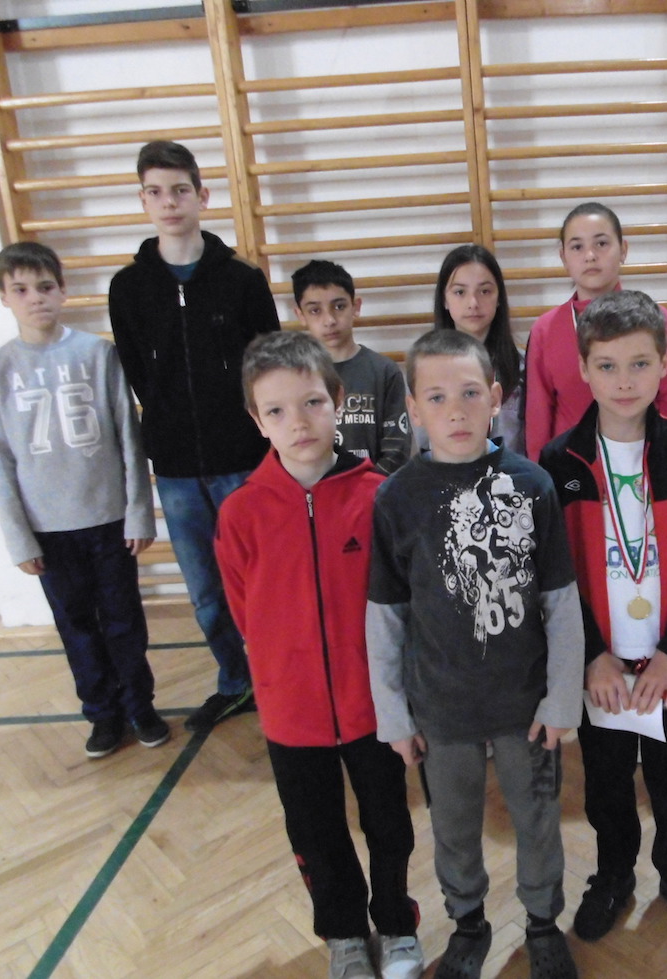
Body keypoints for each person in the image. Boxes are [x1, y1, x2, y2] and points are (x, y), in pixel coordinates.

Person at [366, 330, 583, 979]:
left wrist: (561, 698)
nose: (455, 410)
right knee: (454, 826)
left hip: (526, 705)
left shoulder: (533, 484)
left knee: (537, 819)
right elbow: (385, 617)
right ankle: (467, 922)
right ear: (413, 408)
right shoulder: (396, 497)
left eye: (468, 394)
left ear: (494, 397)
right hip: (442, 709)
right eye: (436, 397)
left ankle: (542, 921)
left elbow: (561, 602)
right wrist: (394, 715)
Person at [215, 332, 422, 979]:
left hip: (373, 706)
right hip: (292, 713)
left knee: (389, 824)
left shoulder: (379, 494)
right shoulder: (241, 512)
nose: (298, 423)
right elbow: (245, 611)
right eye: (276, 411)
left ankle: (397, 924)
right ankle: (345, 934)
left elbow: (402, 602)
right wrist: (284, 670)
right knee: (315, 833)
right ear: (257, 420)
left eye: (311, 403)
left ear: (337, 399)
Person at [540, 290, 667, 948]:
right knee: (606, 784)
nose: (624, 381)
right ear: (583, 369)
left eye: (640, 364)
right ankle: (613, 875)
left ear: (664, 364)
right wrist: (592, 654)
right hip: (602, 670)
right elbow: (555, 575)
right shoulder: (560, 464)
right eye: (607, 365)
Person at [108, 140, 280, 733]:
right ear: (143, 201)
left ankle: (279, 675)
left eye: (180, 190)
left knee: (263, 582)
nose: (169, 202)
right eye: (155, 192)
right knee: (206, 591)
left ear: (202, 196)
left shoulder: (242, 280)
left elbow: (269, 366)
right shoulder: (128, 289)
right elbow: (138, 374)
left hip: (245, 461)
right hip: (178, 469)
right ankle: (236, 682)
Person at [0, 242, 164, 759]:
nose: (35, 298)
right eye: (20, 290)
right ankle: (102, 714)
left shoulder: (97, 355)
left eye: (45, 287)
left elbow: (128, 437)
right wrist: (19, 538)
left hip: (108, 521)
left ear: (63, 290)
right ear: (3, 297)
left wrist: (138, 512)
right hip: (48, 530)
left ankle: (140, 707)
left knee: (124, 621)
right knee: (77, 627)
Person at [524, 202, 667, 460]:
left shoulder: (658, 320)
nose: (590, 255)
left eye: (601, 243)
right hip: (570, 469)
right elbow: (538, 417)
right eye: (577, 247)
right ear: (563, 257)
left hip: (646, 462)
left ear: (623, 250)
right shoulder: (545, 329)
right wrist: (542, 476)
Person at [293, 259, 412, 474]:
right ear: (300, 315)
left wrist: (368, 487)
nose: (329, 320)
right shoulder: (294, 377)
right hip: (317, 489)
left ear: (356, 307)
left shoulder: (384, 371)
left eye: (339, 307)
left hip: (374, 489)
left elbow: (397, 448)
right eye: (315, 310)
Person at [433, 244, 524, 454]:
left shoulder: (523, 368)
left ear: (499, 297)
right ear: (444, 299)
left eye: (485, 291)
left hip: (511, 474)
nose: (473, 302)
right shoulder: (427, 370)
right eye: (460, 292)